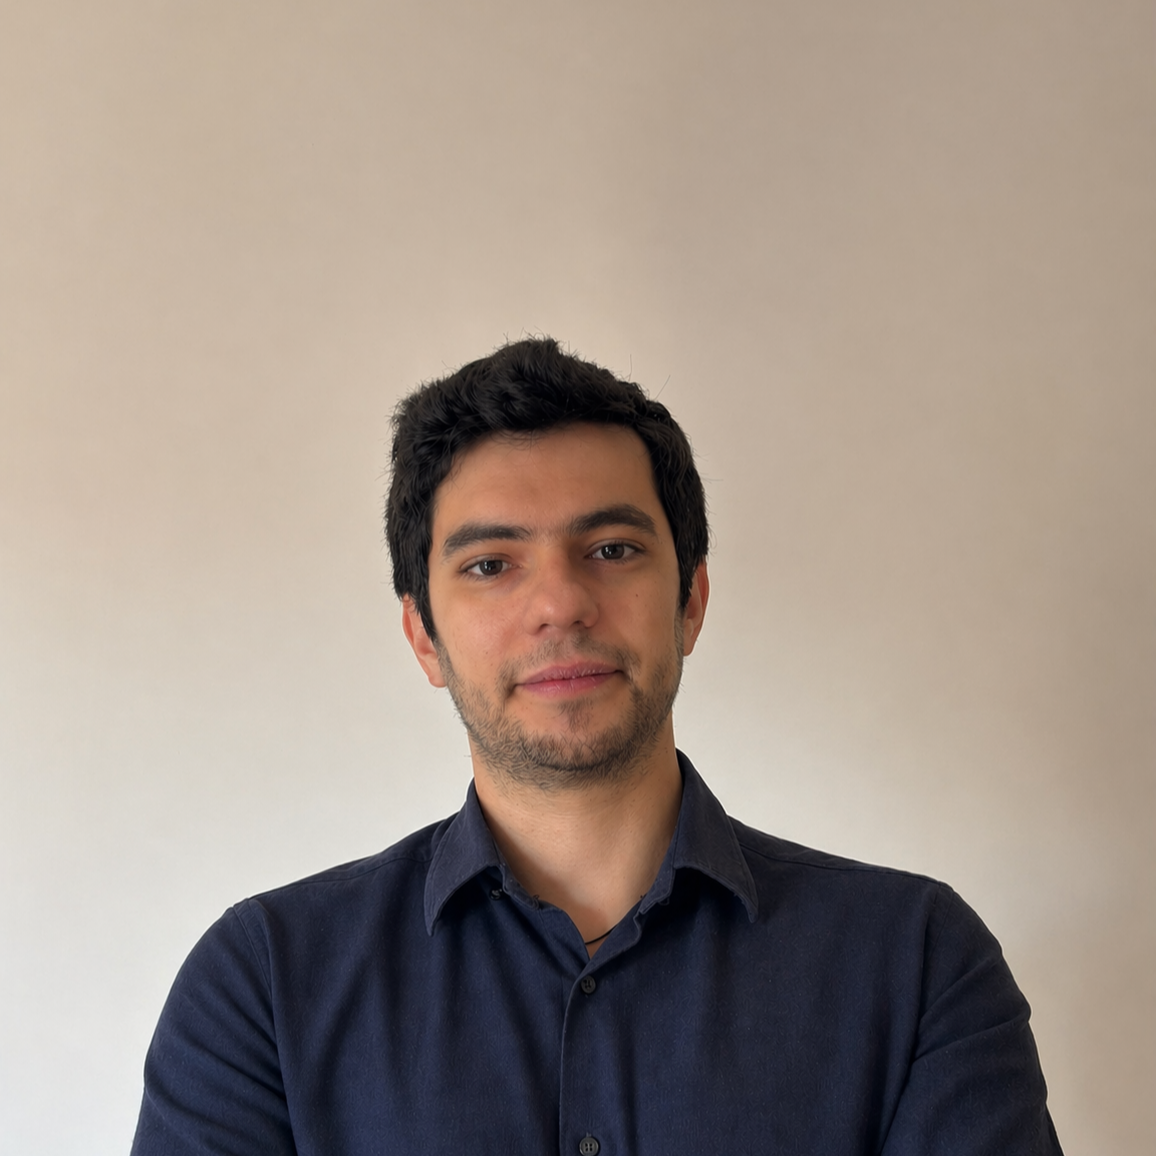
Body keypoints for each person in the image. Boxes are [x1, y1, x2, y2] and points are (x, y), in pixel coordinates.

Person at [131, 337, 1063, 1155]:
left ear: (690, 600)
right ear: (423, 637)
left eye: (612, 549)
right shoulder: (264, 986)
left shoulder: (914, 962)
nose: (560, 604)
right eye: (490, 565)